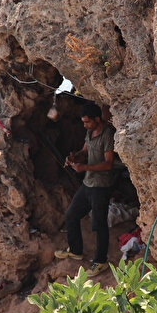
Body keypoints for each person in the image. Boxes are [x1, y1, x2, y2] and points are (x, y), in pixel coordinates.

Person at [54, 103, 116, 276]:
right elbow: (84, 151)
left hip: (101, 187)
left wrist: (85, 168)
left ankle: (100, 261)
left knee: (98, 224)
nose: (84, 125)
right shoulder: (90, 132)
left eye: (87, 122)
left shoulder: (107, 135)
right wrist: (75, 157)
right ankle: (75, 250)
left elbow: (109, 164)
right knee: (71, 215)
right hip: (88, 184)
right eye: (83, 122)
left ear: (97, 119)